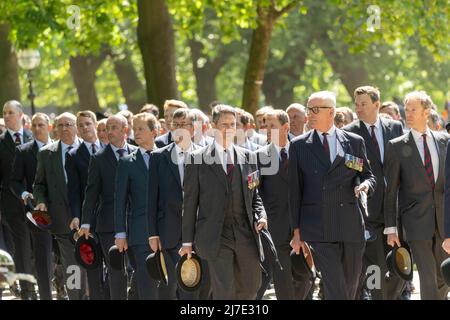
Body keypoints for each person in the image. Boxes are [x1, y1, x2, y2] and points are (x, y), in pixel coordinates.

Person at [289, 91, 376, 300]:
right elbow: (294, 191)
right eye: (308, 108)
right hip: (318, 227)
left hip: (351, 223)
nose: (309, 114)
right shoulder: (299, 145)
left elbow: (369, 176)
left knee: (351, 283)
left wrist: (365, 185)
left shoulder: (354, 142)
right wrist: (296, 231)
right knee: (335, 285)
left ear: (332, 112)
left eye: (315, 110)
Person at [179, 104, 267, 299]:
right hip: (215, 235)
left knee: (251, 287)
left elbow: (255, 195)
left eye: (232, 124)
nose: (228, 129)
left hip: (245, 233)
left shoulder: (249, 157)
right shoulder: (196, 159)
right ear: (213, 126)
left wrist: (261, 215)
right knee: (224, 290)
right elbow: (190, 203)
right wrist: (187, 242)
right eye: (224, 125)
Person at [384, 90, 450, 300]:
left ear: (427, 111)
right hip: (415, 223)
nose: (408, 114)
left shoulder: (444, 141)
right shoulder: (397, 146)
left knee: (443, 277)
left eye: (413, 110)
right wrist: (391, 228)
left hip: (443, 222)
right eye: (407, 109)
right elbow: (390, 191)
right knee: (428, 277)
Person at [344, 86, 404, 300]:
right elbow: (350, 165)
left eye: (363, 104)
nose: (358, 109)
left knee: (400, 269)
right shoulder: (349, 132)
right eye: (356, 104)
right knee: (374, 268)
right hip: (368, 210)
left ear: (377, 105)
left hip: (395, 209)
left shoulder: (396, 127)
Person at [148, 109, 202, 299]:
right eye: (175, 125)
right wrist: (153, 233)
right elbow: (151, 198)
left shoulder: (206, 156)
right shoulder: (158, 156)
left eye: (184, 125)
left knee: (194, 286)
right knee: (169, 288)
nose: (179, 129)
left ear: (193, 128)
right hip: (168, 232)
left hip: (199, 232)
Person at [33, 112, 84, 300]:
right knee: (72, 266)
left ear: (76, 127)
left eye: (68, 124)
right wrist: (41, 201)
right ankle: (76, 297)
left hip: (89, 220)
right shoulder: (46, 153)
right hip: (63, 221)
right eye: (60, 125)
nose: (64, 128)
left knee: (90, 265)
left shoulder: (90, 150)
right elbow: (39, 184)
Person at [115, 113, 159, 300]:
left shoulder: (168, 157)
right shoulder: (126, 162)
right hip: (140, 235)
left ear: (154, 132)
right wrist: (120, 233)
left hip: (169, 232)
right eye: (135, 129)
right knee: (147, 285)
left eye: (141, 128)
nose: (136, 132)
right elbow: (120, 201)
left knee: (168, 285)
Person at [10, 112, 53, 300]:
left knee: (65, 256)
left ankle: (70, 291)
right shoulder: (23, 151)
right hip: (37, 212)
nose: (36, 129)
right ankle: (45, 296)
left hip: (63, 211)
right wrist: (24, 194)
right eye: (33, 125)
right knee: (42, 257)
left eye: (40, 125)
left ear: (49, 126)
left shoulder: (61, 148)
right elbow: (14, 181)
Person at [66, 110, 105, 300]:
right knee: (93, 265)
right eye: (80, 125)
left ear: (96, 124)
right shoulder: (73, 155)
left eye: (87, 124)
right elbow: (73, 190)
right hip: (88, 218)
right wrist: (77, 216)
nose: (84, 128)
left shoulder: (109, 148)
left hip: (110, 214)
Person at [0, 100, 34, 299]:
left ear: (21, 115)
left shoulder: (33, 138)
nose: (6, 116)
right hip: (11, 205)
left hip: (35, 204)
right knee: (20, 249)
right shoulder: (1, 142)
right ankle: (27, 291)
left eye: (10, 112)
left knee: (38, 248)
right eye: (4, 113)